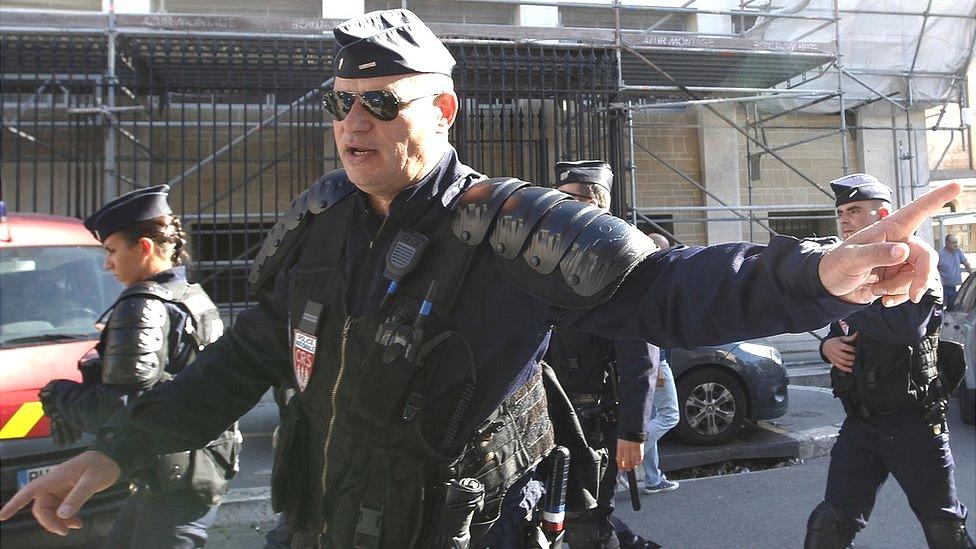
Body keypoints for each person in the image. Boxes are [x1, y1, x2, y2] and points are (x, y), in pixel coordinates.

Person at [0, 9, 960, 549]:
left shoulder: (508, 222)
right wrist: (124, 445)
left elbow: (669, 288)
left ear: (445, 107)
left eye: (383, 101)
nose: (355, 121)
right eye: (343, 103)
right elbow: (247, 354)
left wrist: (823, 270)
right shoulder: (321, 222)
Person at [36, 185, 240, 548]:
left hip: (172, 477)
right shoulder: (190, 294)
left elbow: (122, 410)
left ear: (144, 247)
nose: (107, 263)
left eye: (112, 251)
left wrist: (59, 396)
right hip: (180, 472)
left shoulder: (142, 304)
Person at [805, 173, 973, 549]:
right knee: (828, 526)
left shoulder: (917, 263)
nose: (844, 220)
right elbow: (840, 332)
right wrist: (827, 347)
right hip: (861, 423)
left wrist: (843, 296)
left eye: (853, 211)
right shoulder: (847, 268)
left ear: (882, 214)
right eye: (841, 213)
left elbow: (904, 328)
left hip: (913, 423)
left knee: (945, 530)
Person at [544, 160, 658, 549]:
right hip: (548, 413)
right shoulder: (550, 255)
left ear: (596, 204)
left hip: (592, 418)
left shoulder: (622, 260)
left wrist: (632, 431)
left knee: (587, 522)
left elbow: (639, 352)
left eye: (568, 198)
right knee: (550, 515)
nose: (559, 206)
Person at [640, 234, 681, 496]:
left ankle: (653, 478)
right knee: (670, 416)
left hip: (651, 361)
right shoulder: (656, 280)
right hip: (656, 361)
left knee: (653, 418)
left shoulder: (643, 276)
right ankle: (629, 450)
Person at [938, 233, 972, 311]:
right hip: (943, 287)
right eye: (954, 243)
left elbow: (966, 263)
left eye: (956, 242)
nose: (956, 245)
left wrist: (971, 274)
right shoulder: (940, 254)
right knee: (941, 308)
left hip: (954, 287)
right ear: (947, 243)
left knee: (953, 308)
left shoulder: (958, 252)